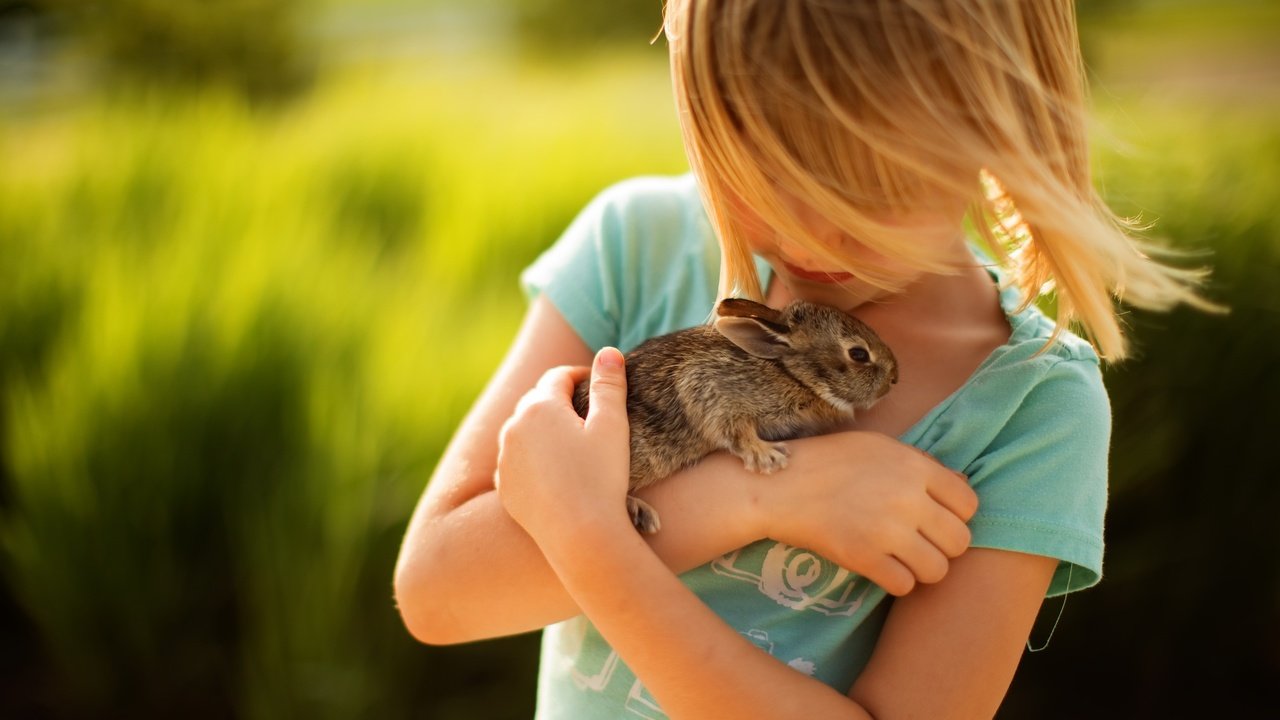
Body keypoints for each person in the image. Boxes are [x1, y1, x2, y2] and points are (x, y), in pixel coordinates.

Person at [394, 1, 1210, 717]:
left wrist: (592, 532)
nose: (805, 229)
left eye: (866, 187)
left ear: (1001, 119)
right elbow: (437, 595)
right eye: (755, 169)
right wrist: (756, 499)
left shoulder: (1032, 406)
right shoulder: (636, 246)